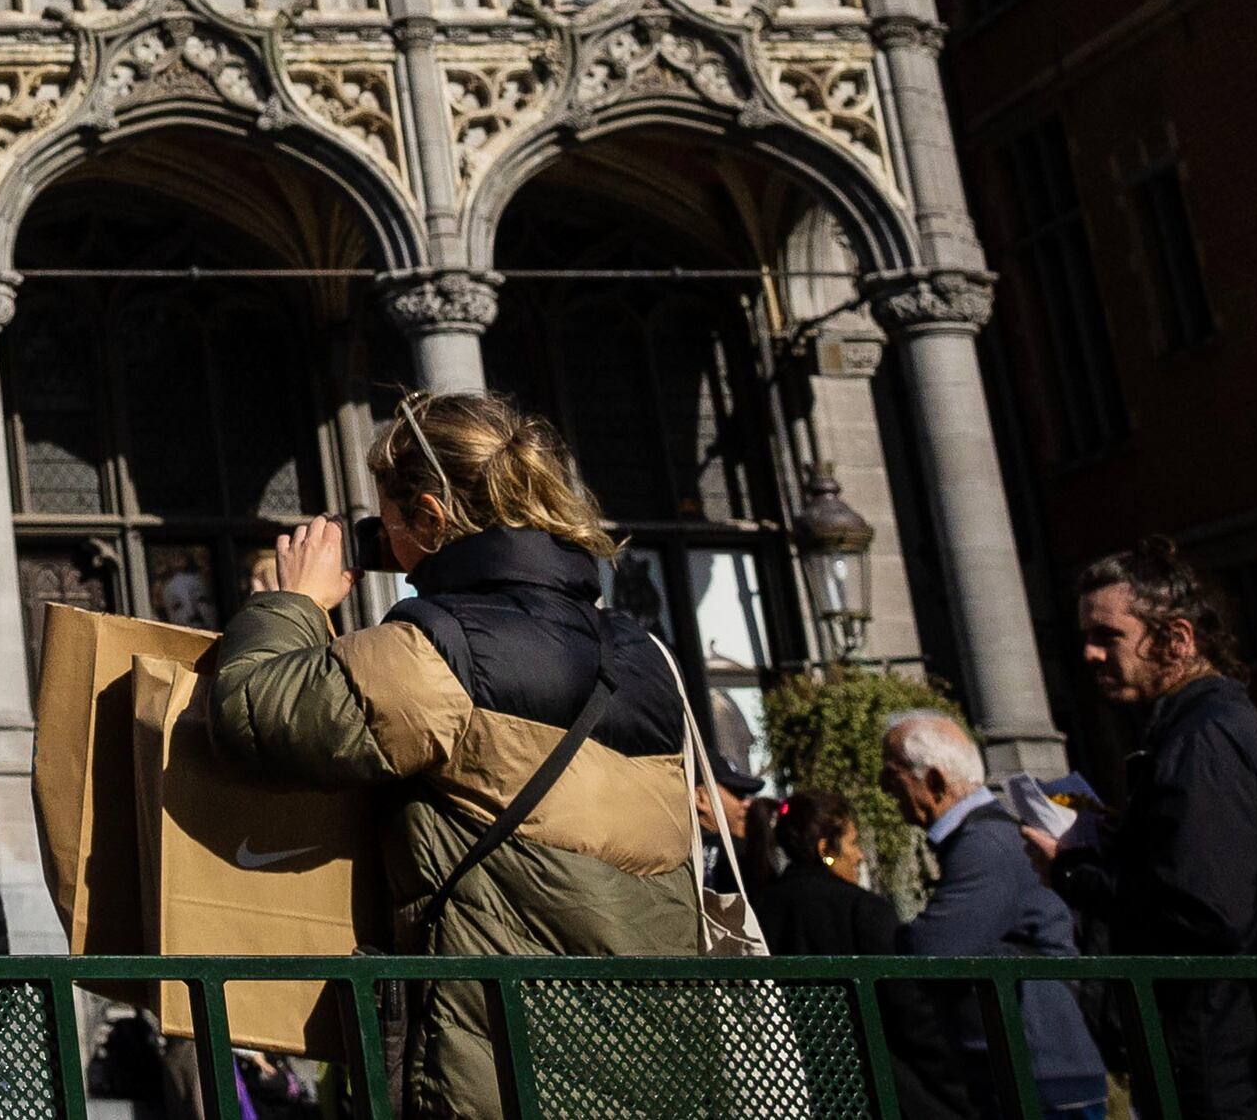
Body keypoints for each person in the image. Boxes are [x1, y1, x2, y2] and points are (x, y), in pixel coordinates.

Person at [202, 393, 703, 1120]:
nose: (389, 546)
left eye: (393, 522)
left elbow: (252, 716)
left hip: (506, 1064)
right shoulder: (637, 650)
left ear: (432, 517)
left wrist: (295, 603)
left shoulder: (437, 656)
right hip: (656, 1055)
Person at [1032, 539, 1257, 1120]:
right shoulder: (1243, 735)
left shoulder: (1201, 745)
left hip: (1230, 1071)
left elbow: (1200, 911)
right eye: (1085, 638)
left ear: (1177, 640)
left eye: (1109, 636)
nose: (1090, 655)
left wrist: (1072, 871)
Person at [880, 710, 1099, 1120]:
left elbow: (931, 948)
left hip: (1041, 1075)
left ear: (934, 781)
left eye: (892, 776)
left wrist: (894, 938)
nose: (884, 789)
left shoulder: (986, 844)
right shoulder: (979, 838)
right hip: (1022, 1069)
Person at [718, 783, 902, 960]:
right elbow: (900, 988)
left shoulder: (758, 910)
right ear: (825, 850)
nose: (860, 855)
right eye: (852, 843)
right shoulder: (864, 910)